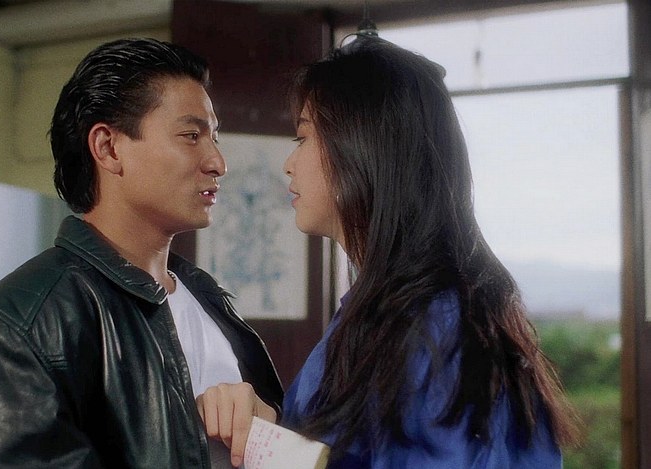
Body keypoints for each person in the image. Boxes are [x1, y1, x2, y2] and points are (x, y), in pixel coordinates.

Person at [202, 31, 580, 468]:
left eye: (302, 138)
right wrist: (271, 428)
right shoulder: (381, 314)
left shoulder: (436, 329)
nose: (289, 164)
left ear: (363, 148)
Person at [0, 37, 283, 468]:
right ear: (108, 148)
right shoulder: (15, 328)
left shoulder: (209, 300)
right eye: (191, 135)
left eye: (213, 137)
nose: (218, 162)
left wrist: (271, 426)